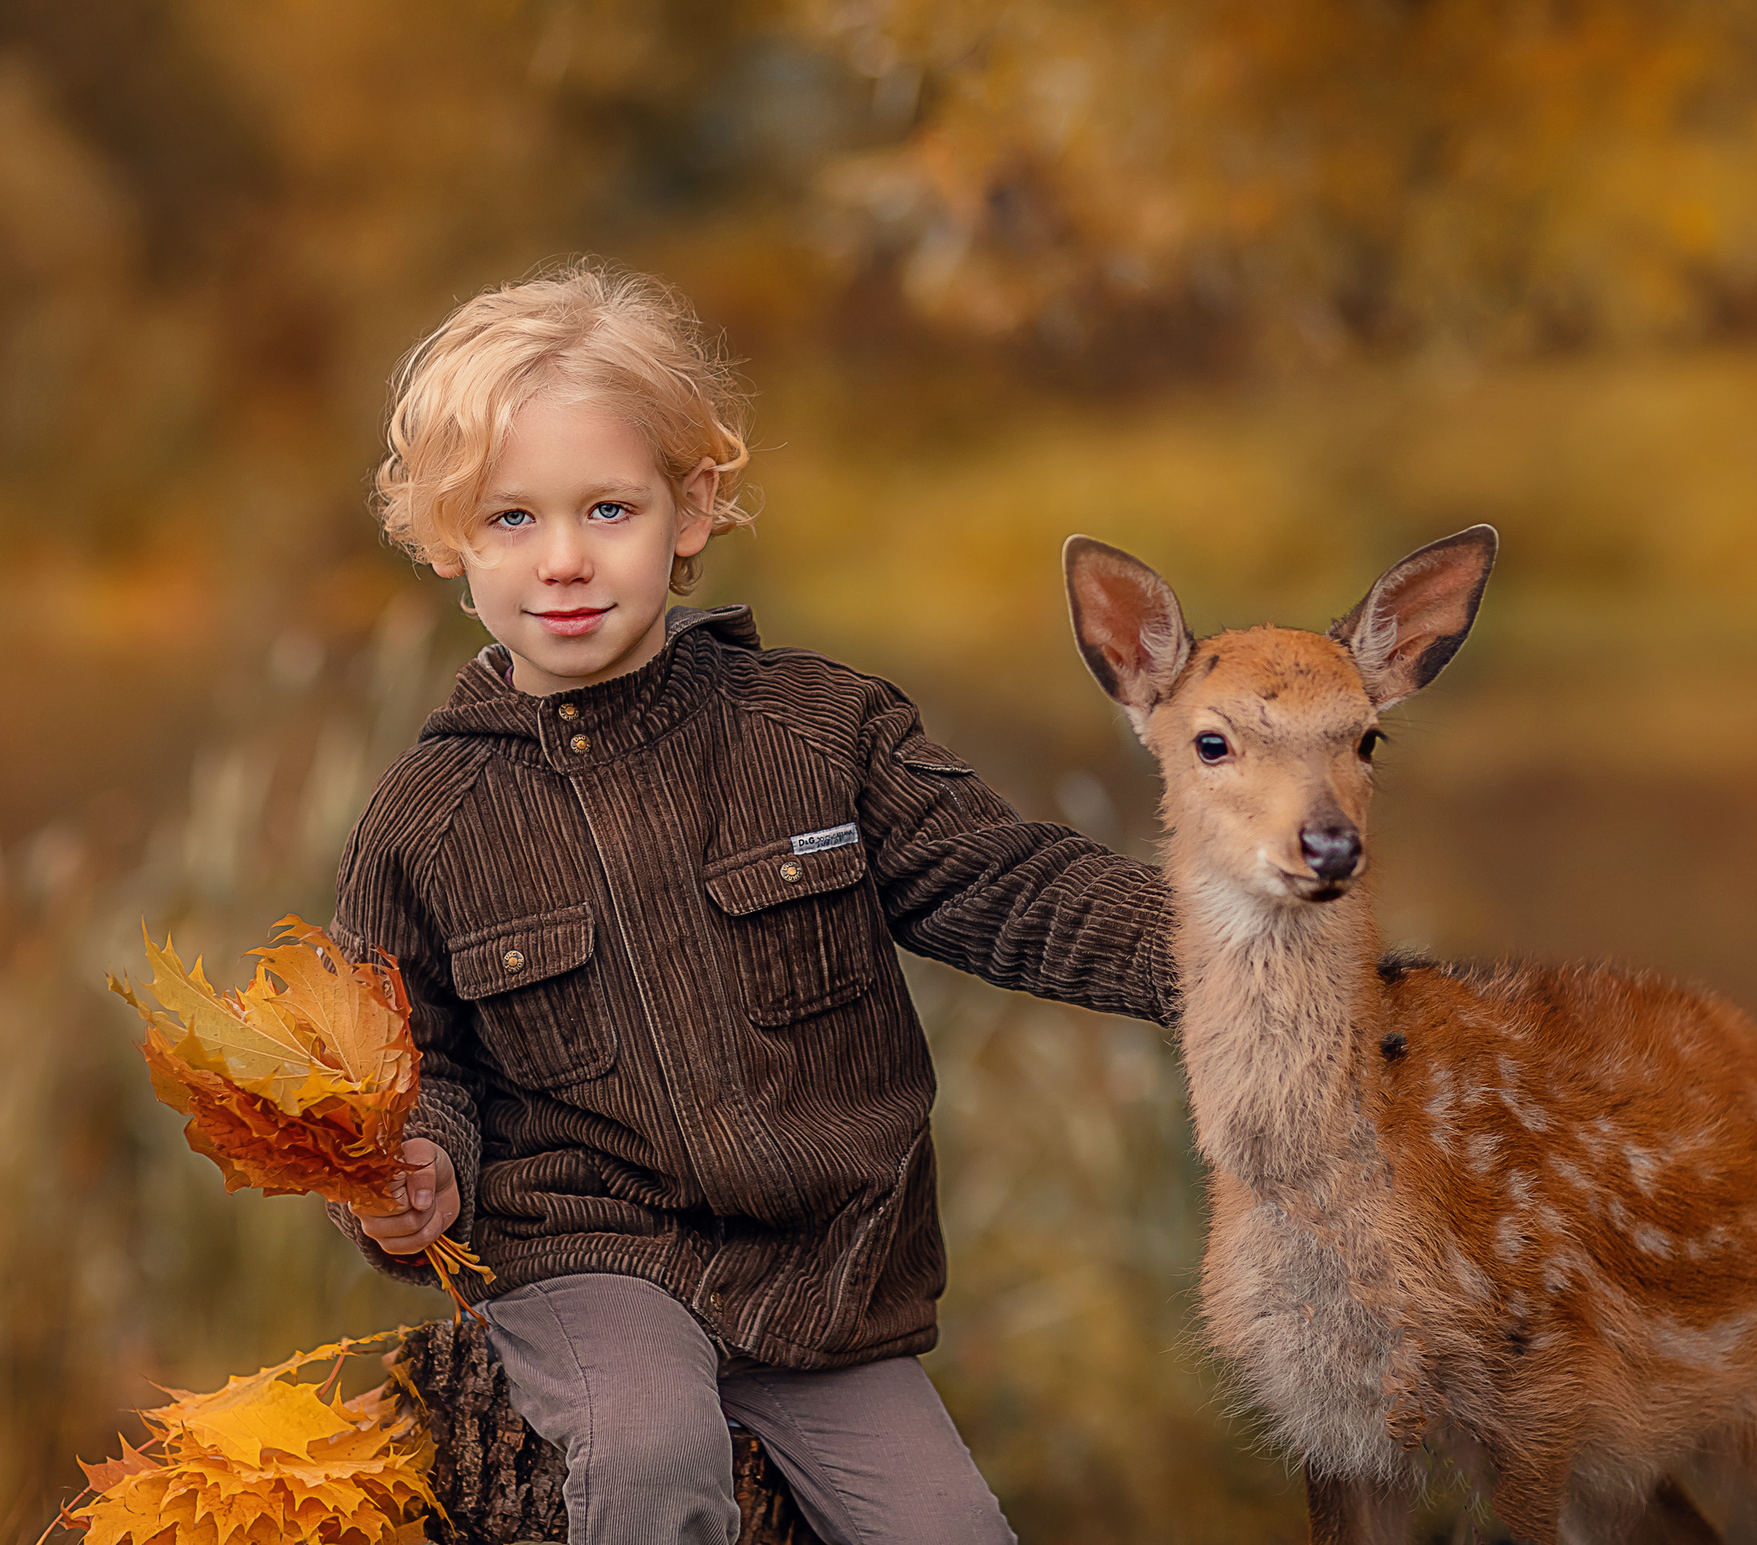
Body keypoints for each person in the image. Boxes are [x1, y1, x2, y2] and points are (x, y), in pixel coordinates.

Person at [326, 263, 1172, 1545]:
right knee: (655, 1461)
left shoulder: (821, 731)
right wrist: (414, 1171)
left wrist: (1229, 957)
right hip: (585, 1254)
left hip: (825, 1282)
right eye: (508, 520)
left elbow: (1004, 881)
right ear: (448, 539)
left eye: (607, 507)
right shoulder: (428, 817)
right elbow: (406, 1060)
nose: (561, 560)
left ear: (693, 507)